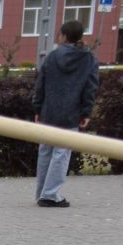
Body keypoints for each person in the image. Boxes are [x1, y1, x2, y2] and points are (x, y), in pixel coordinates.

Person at [31, 19, 97, 208]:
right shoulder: (88, 59)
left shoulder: (52, 57)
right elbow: (90, 87)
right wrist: (86, 112)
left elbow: (41, 83)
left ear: (63, 36)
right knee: (61, 153)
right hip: (71, 112)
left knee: (45, 151)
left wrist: (38, 108)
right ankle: (51, 195)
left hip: (48, 111)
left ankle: (41, 192)